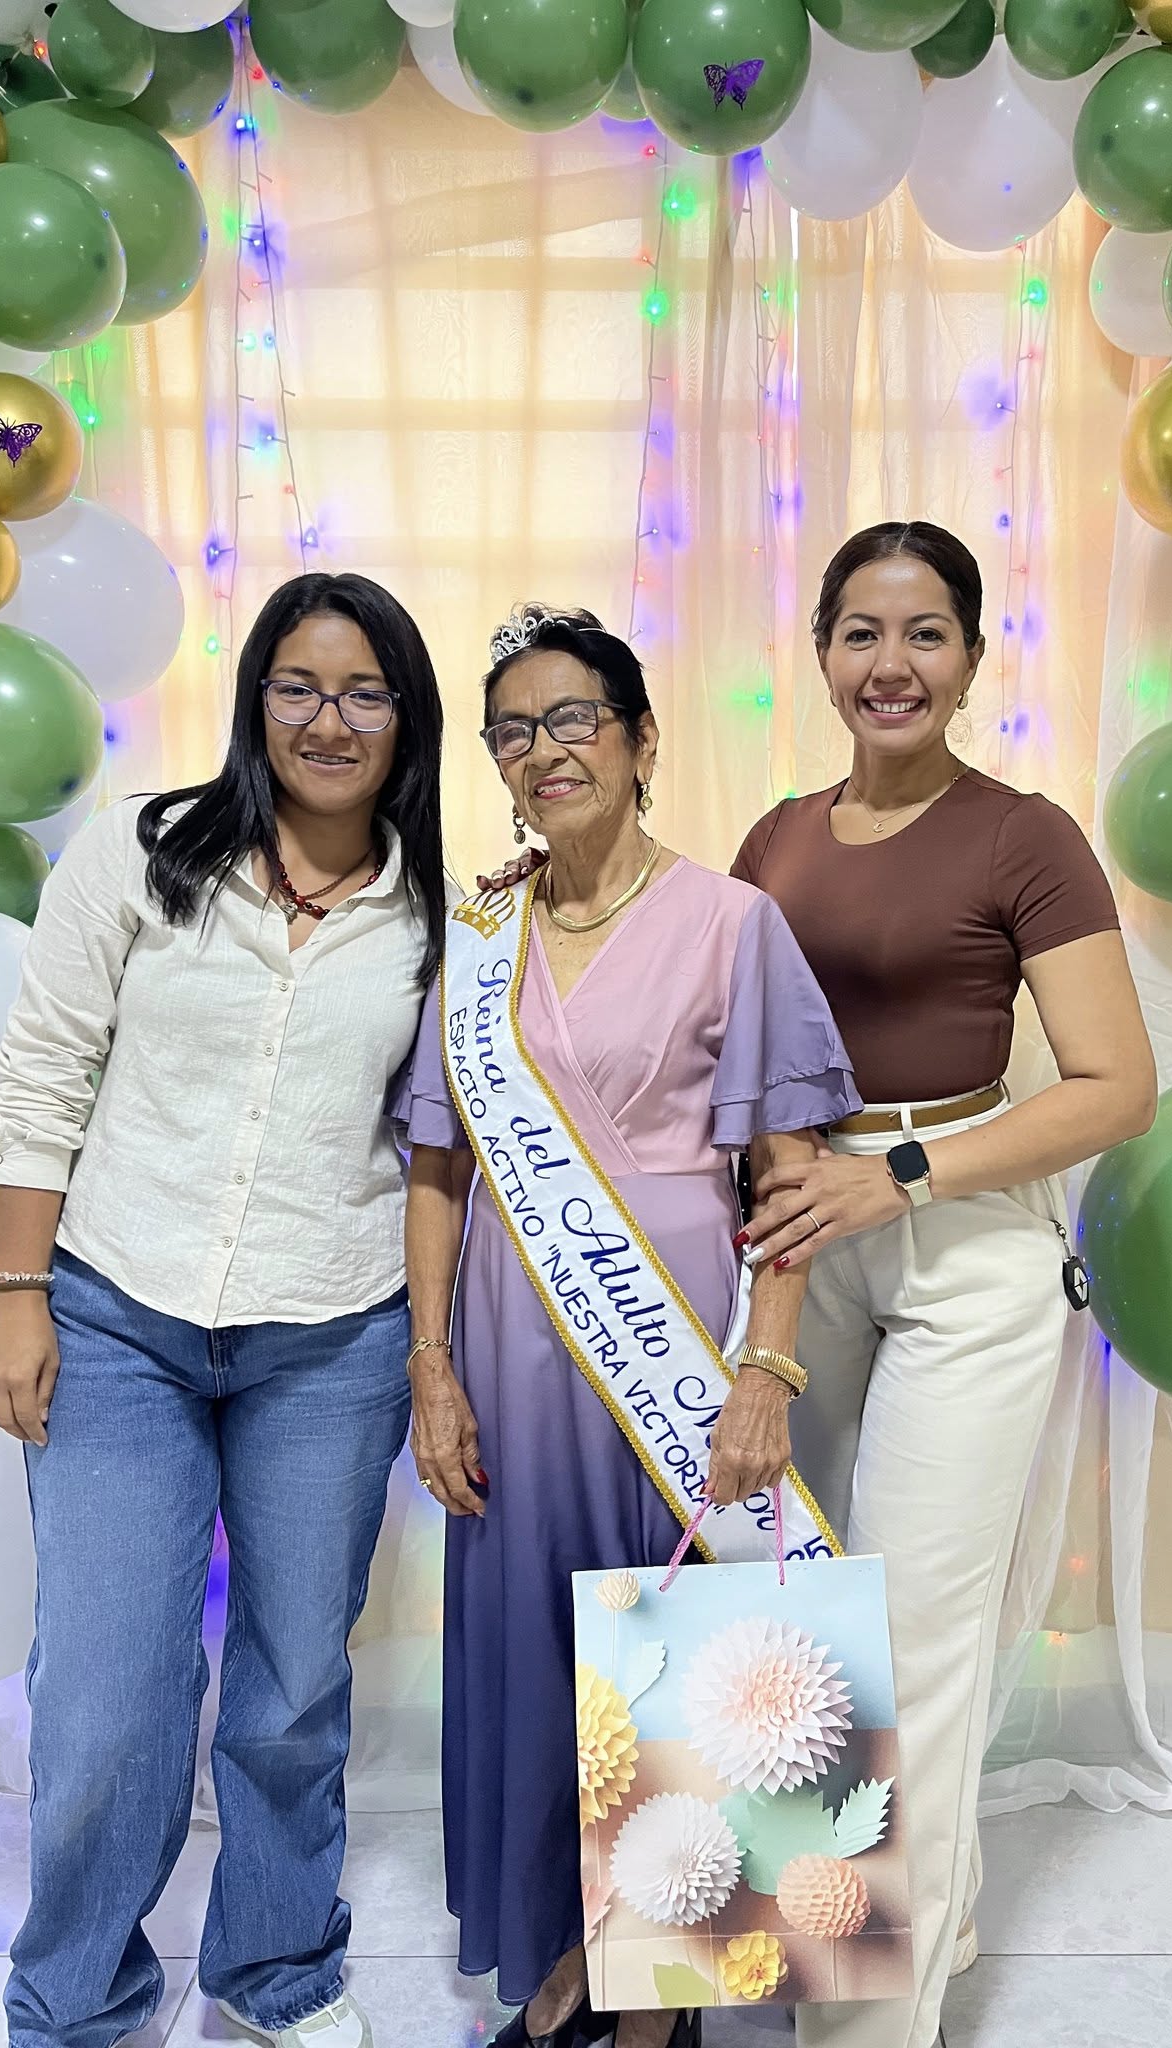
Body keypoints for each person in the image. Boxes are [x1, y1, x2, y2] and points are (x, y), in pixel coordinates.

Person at [0, 572, 447, 2048]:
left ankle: (276, 1968)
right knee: (107, 1691)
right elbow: (42, 1074)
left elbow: (446, 1135)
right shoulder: (140, 851)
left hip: (333, 1332)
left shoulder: (442, 913)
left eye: (364, 692)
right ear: (256, 700)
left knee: (295, 1685)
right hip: (119, 1315)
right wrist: (17, 1293)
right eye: (298, 687)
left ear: (406, 718)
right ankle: (75, 2001)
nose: (328, 719)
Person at [396, 604, 858, 2048]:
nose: (544, 752)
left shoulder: (734, 922)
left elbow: (787, 1173)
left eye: (574, 719)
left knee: (672, 1647)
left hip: (674, 1335)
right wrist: (430, 1368)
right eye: (512, 733)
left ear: (642, 739)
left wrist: (766, 1370)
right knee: (540, 1654)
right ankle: (568, 1951)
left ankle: (651, 1998)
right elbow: (436, 1165)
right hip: (502, 1339)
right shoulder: (481, 934)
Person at [730, 521, 1157, 2048]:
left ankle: (864, 2026)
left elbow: (1116, 1086)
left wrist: (898, 1176)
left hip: (963, 1242)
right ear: (822, 653)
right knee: (792, 1613)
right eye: (862, 631)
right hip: (803, 1244)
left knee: (907, 1636)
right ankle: (908, 1914)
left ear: (972, 658)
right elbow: (745, 1060)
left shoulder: (1024, 835)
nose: (891, 663)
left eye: (925, 633)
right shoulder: (776, 838)